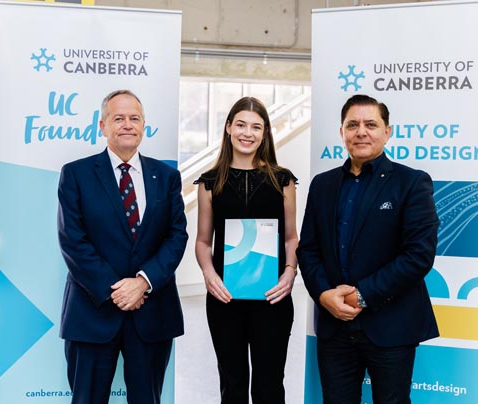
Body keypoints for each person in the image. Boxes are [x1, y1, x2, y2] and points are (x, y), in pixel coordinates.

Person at [297, 94, 440, 404]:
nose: (361, 131)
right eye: (353, 125)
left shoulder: (412, 183)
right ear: (342, 132)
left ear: (387, 132)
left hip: (391, 325)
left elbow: (419, 255)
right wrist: (323, 295)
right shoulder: (322, 185)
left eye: (371, 124)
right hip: (334, 325)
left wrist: (361, 295)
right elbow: (308, 250)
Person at [57, 89, 188, 404]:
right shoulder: (76, 174)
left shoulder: (167, 176)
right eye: (118, 118)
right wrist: (117, 289)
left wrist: (142, 283)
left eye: (134, 118)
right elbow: (73, 240)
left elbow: (177, 235)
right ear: (102, 126)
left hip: (152, 313)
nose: (127, 125)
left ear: (144, 125)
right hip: (93, 311)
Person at [194, 96, 298, 404]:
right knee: (233, 384)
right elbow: (202, 241)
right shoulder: (210, 182)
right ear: (228, 128)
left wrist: (290, 273)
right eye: (240, 124)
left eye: (256, 127)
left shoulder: (283, 180)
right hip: (225, 298)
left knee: (269, 387)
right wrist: (209, 274)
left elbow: (292, 237)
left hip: (273, 297)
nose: (247, 133)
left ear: (265, 133)